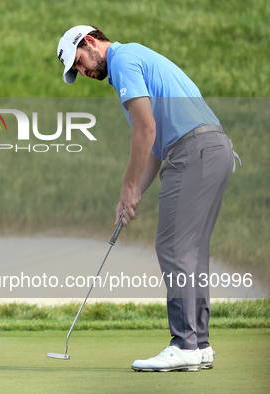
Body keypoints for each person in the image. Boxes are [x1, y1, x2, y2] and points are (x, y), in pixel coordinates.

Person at [56, 25, 240, 372]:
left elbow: (145, 130)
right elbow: (154, 147)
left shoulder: (123, 59)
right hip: (215, 150)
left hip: (192, 152)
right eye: (77, 71)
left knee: (172, 248)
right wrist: (133, 194)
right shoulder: (138, 58)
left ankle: (184, 343)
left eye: (80, 62)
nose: (84, 72)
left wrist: (127, 186)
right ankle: (199, 345)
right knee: (192, 251)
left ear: (91, 42)